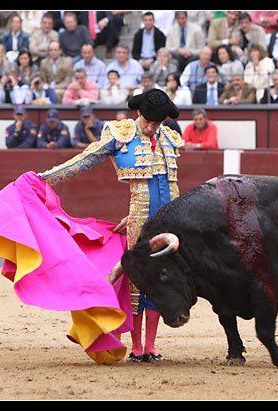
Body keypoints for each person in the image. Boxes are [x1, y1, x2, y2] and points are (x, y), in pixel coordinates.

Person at [38, 89, 183, 363]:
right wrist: (45, 178)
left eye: (159, 122)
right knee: (138, 280)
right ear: (139, 113)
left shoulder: (170, 138)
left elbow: (170, 185)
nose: (153, 127)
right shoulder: (121, 134)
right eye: (150, 121)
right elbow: (86, 159)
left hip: (170, 219)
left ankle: (151, 345)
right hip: (141, 219)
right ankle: (137, 347)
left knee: (162, 277)